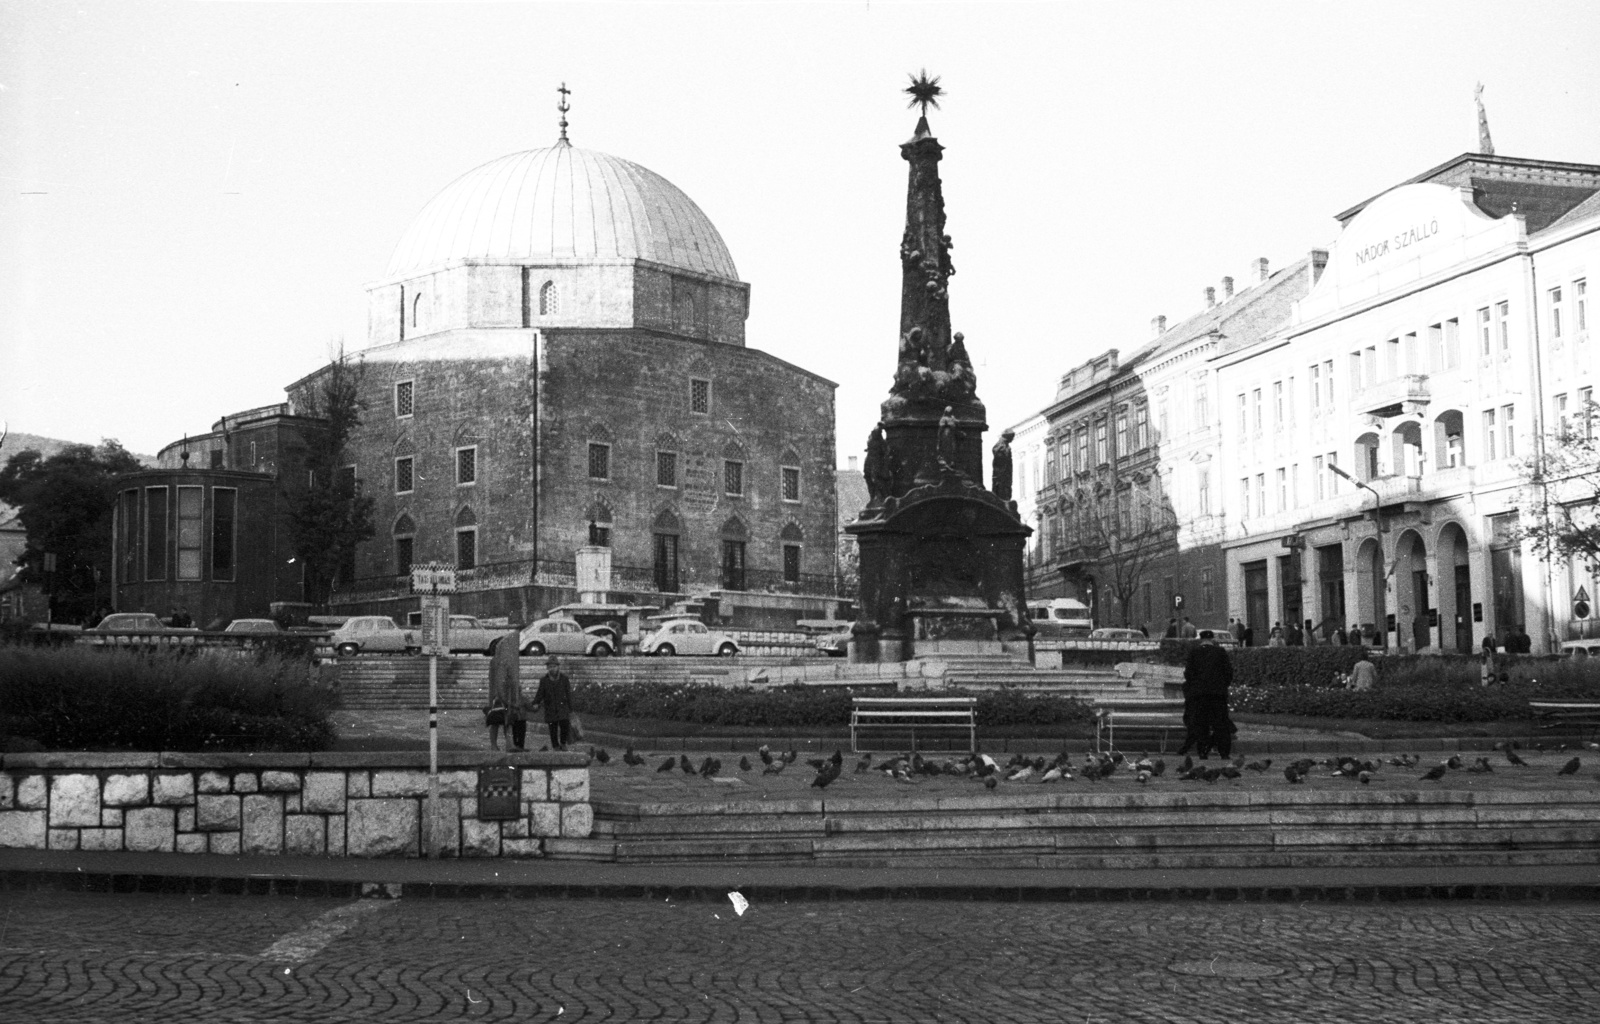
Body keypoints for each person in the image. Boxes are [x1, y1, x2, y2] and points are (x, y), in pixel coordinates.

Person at [1182, 630, 1234, 759]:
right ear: (1212, 639)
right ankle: (1224, 752)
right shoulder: (1220, 652)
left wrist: (1195, 686)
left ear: (1201, 639)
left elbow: (1188, 673)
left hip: (1200, 694)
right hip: (1218, 693)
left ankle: (1203, 751)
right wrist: (1223, 685)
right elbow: (1228, 671)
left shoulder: (1194, 652)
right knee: (1220, 724)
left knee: (1202, 724)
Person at [487, 629, 526, 751]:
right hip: (497, 694)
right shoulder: (495, 661)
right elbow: (496, 679)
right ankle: (494, 744)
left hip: (506, 693)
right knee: (495, 721)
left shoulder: (504, 661)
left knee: (507, 720)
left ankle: (509, 743)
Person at [532, 655, 574, 751]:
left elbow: (568, 694)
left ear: (558, 667)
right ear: (547, 668)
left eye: (554, 666)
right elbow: (540, 693)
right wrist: (535, 702)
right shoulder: (544, 680)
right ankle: (555, 746)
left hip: (562, 707)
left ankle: (563, 743)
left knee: (564, 725)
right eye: (550, 667)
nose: (552, 669)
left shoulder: (564, 679)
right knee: (552, 728)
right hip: (550, 707)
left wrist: (571, 709)